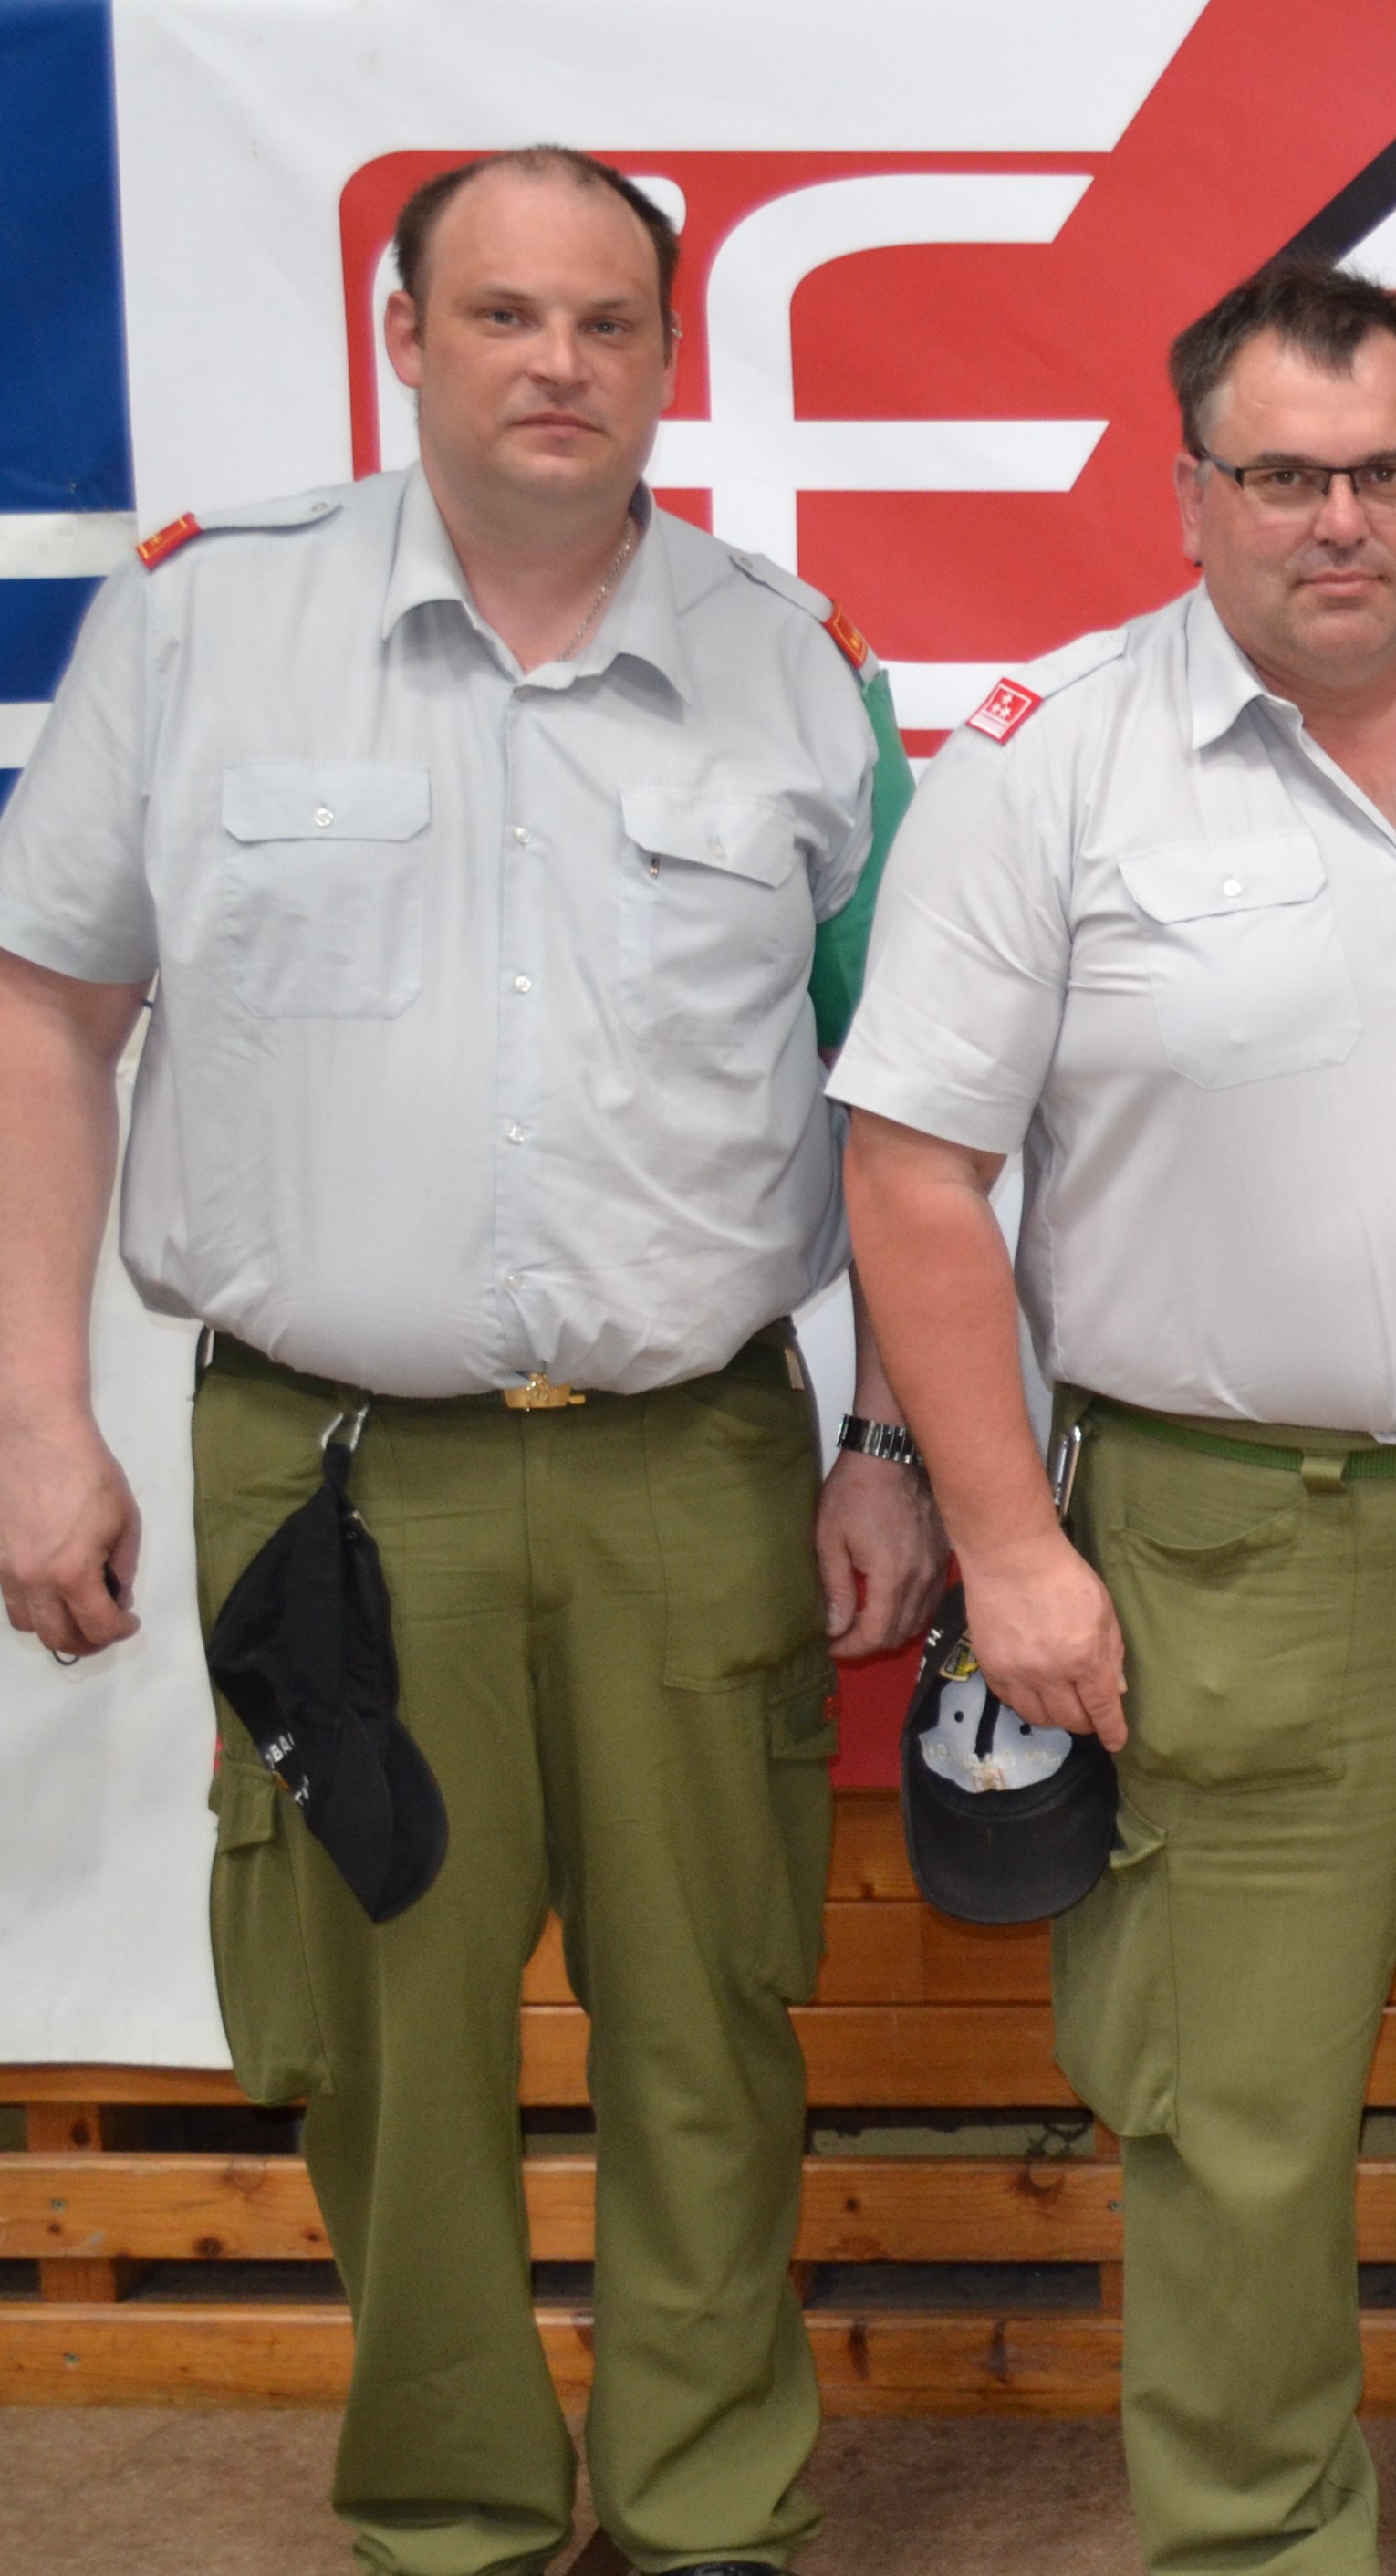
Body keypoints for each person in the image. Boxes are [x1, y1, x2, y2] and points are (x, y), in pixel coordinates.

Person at [0, 148, 935, 2576]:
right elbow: (45, 1014)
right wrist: (33, 1414)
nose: (557, 364)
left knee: (710, 2023)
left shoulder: (794, 665)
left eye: (607, 323)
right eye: (503, 314)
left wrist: (886, 1435)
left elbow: (912, 1105)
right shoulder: (206, 628)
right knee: (384, 2035)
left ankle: (711, 2514)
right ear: (402, 335)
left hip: (688, 1468)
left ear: (668, 358)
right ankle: (447, 2519)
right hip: (336, 1479)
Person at [830, 256, 1396, 2576]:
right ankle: (1258, 2537)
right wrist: (1007, 1545)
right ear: (1191, 495)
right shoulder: (1048, 764)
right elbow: (913, 1172)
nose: (1337, 520)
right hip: (1232, 1539)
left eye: (1385, 472)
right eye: (1282, 475)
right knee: (1231, 2096)